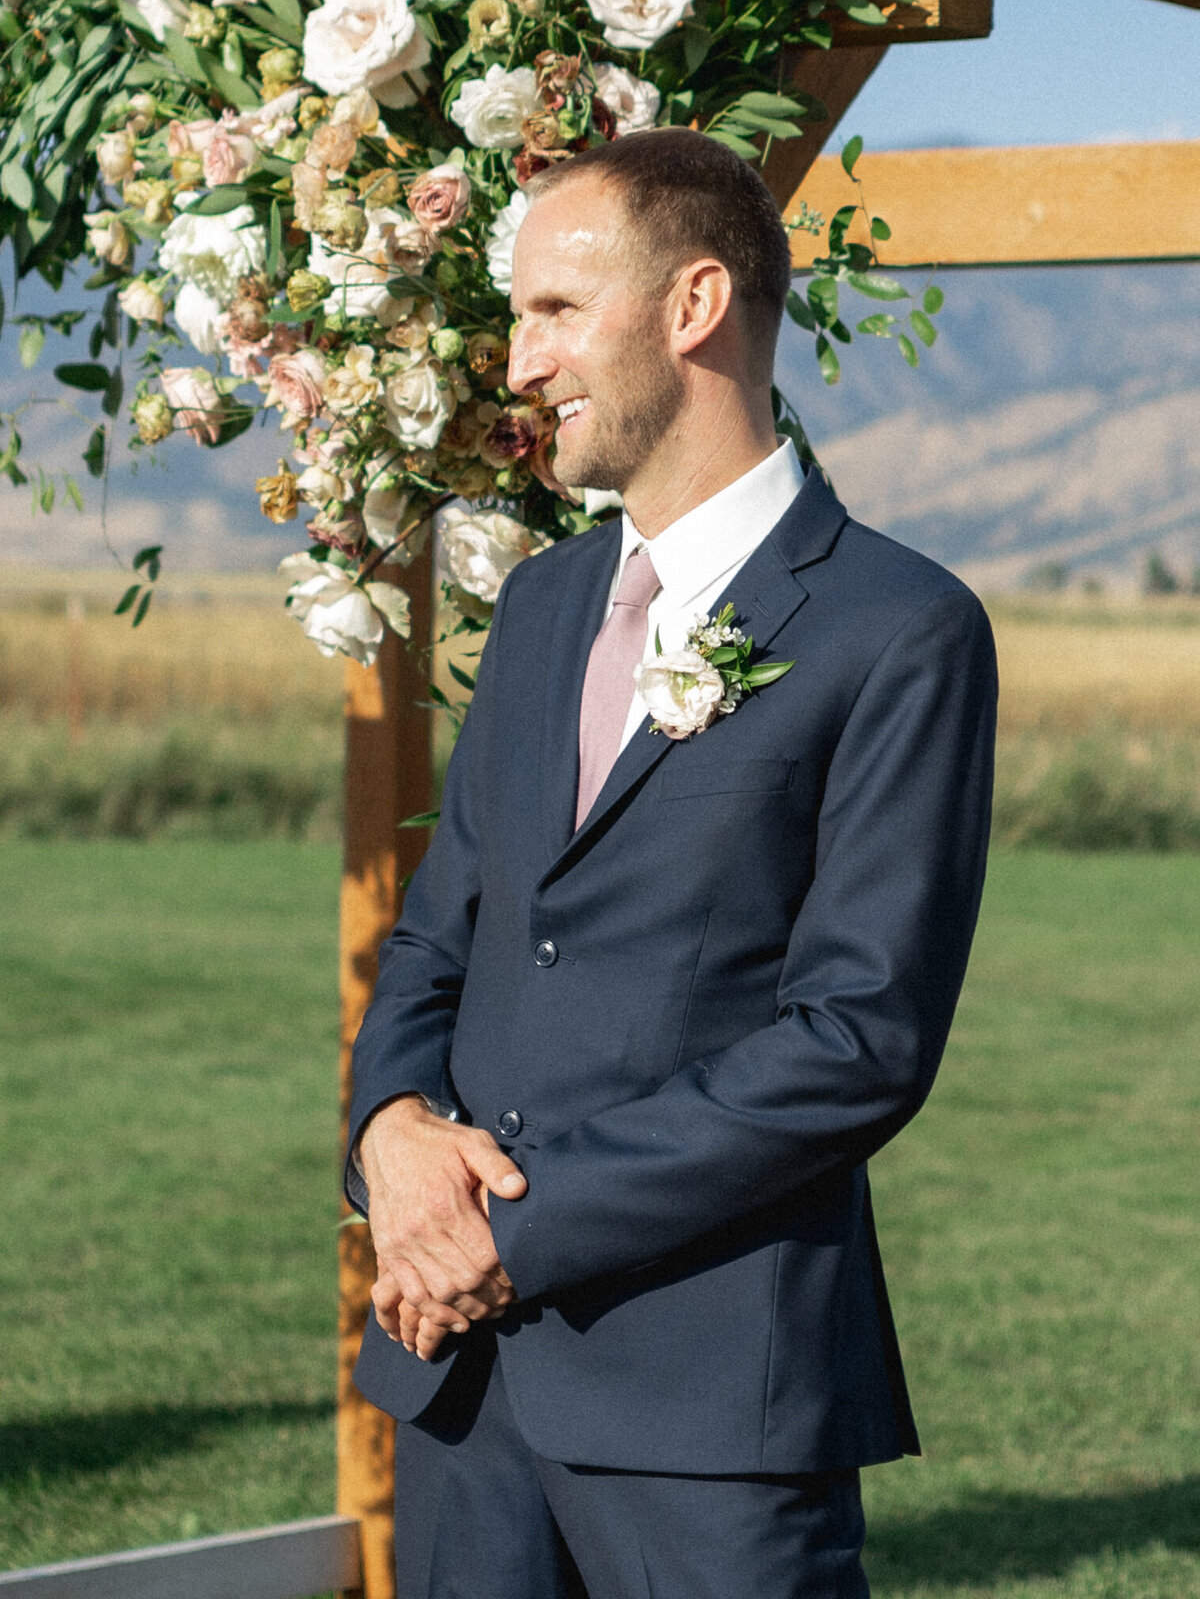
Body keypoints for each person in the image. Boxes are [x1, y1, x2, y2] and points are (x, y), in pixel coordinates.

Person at [345, 128, 998, 1599]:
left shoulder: (901, 629)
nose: (518, 364)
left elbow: (857, 1042)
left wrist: (508, 1231)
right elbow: (442, 936)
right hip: (459, 1391)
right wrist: (389, 1136)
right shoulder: (538, 609)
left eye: (555, 312)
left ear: (693, 305)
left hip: (712, 1414)